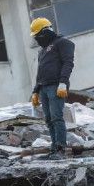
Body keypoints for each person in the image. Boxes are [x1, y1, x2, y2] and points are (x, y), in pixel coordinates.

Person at [29, 18, 75, 160]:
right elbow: (40, 71)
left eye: (38, 36)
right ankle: (54, 150)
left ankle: (61, 150)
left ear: (46, 32)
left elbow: (68, 63)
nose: (37, 40)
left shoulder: (63, 43)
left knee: (56, 117)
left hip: (56, 86)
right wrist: (35, 91)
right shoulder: (42, 51)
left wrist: (63, 82)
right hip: (43, 87)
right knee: (49, 119)